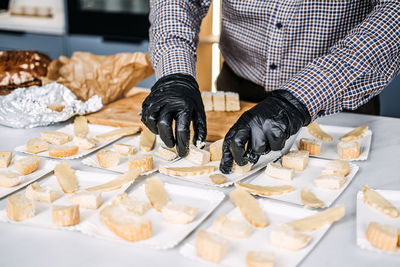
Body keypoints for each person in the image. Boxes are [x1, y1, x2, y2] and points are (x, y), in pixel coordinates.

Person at [142, 1, 400, 173]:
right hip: (237, 86)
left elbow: (393, 15)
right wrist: (175, 72)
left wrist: (299, 99)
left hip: (338, 96)